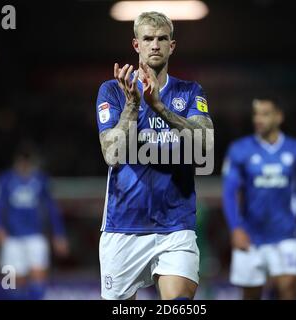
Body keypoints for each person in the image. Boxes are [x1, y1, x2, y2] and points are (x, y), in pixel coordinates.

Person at [95, 11, 214, 300]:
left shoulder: (189, 92)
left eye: (162, 39)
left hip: (176, 226)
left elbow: (205, 146)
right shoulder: (112, 90)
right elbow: (111, 153)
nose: (155, 45)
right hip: (123, 226)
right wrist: (133, 106)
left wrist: (160, 107)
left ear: (172, 46)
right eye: (148, 39)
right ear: (136, 45)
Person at [222, 97, 296, 299]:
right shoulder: (239, 149)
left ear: (279, 117)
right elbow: (229, 192)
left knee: (289, 289)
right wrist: (235, 228)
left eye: (265, 113)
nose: (258, 119)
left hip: (286, 235)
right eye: (255, 114)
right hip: (250, 237)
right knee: (251, 295)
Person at [0, 142, 69, 300]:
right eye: (22, 160)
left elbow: (52, 209)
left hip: (36, 237)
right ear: (16, 160)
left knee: (38, 276)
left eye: (27, 160)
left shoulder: (41, 180)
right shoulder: (5, 180)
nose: (24, 164)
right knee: (11, 282)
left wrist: (59, 234)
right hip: (12, 239)